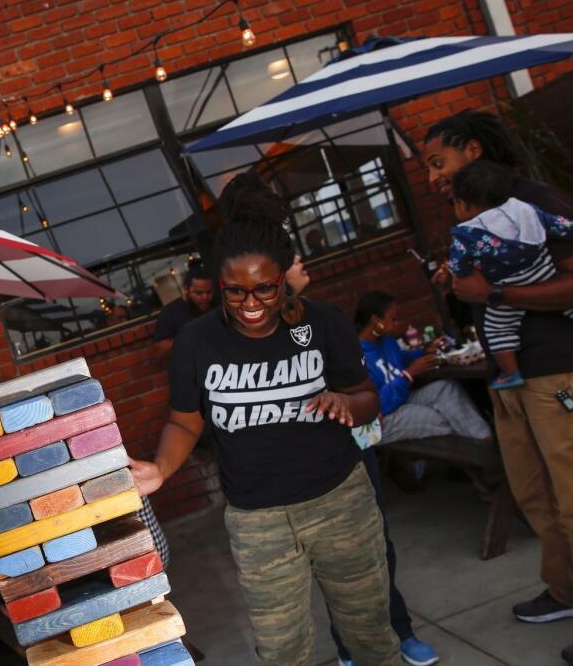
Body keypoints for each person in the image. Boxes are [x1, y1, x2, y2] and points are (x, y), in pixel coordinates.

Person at [130, 173, 400, 665]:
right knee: (281, 652)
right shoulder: (197, 342)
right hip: (259, 521)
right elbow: (185, 421)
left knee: (370, 638)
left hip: (341, 503)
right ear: (218, 286)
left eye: (264, 290)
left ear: (284, 278)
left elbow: (367, 397)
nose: (250, 305)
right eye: (235, 293)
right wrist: (161, 470)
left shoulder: (323, 323)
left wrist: (346, 404)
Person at [425, 109, 573, 665]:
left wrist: (496, 297)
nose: (434, 178)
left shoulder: (535, 201)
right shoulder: (482, 212)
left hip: (556, 372)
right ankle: (570, 591)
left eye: (439, 163)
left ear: (473, 151)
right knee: (535, 493)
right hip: (513, 376)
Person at [448, 160, 573, 388]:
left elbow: (459, 264)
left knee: (498, 328)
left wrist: (458, 273)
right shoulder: (525, 210)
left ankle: (510, 372)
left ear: (463, 205)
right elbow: (558, 225)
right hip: (543, 272)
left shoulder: (466, 234)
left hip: (510, 281)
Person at [355, 291, 491, 443]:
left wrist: (425, 351)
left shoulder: (386, 340)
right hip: (377, 424)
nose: (397, 323)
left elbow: (401, 359)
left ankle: (487, 439)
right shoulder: (357, 356)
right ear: (375, 320)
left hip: (401, 400)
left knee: (446, 388)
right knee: (447, 416)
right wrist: (408, 375)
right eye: (393, 318)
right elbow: (376, 406)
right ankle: (481, 453)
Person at [151, 267, 216, 364]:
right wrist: (189, 335)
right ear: (186, 289)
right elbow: (159, 353)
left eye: (209, 292)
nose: (205, 297)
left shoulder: (219, 304)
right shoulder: (170, 313)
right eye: (199, 293)